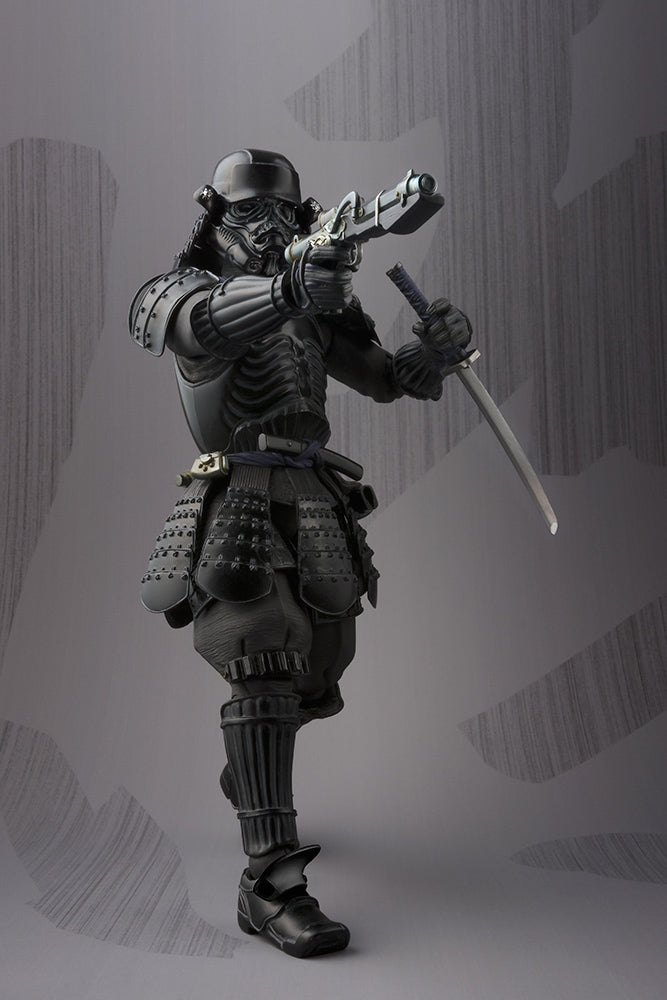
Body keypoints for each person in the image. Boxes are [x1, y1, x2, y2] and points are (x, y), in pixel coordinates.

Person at [129, 149, 471, 958]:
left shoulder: (313, 310)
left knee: (321, 669)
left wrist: (437, 350)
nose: (269, 226)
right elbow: (200, 328)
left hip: (314, 493)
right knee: (262, 659)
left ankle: (251, 768)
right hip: (238, 495)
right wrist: (288, 288)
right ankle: (270, 886)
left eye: (284, 213)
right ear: (214, 218)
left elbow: (387, 378)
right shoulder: (180, 291)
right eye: (249, 212)